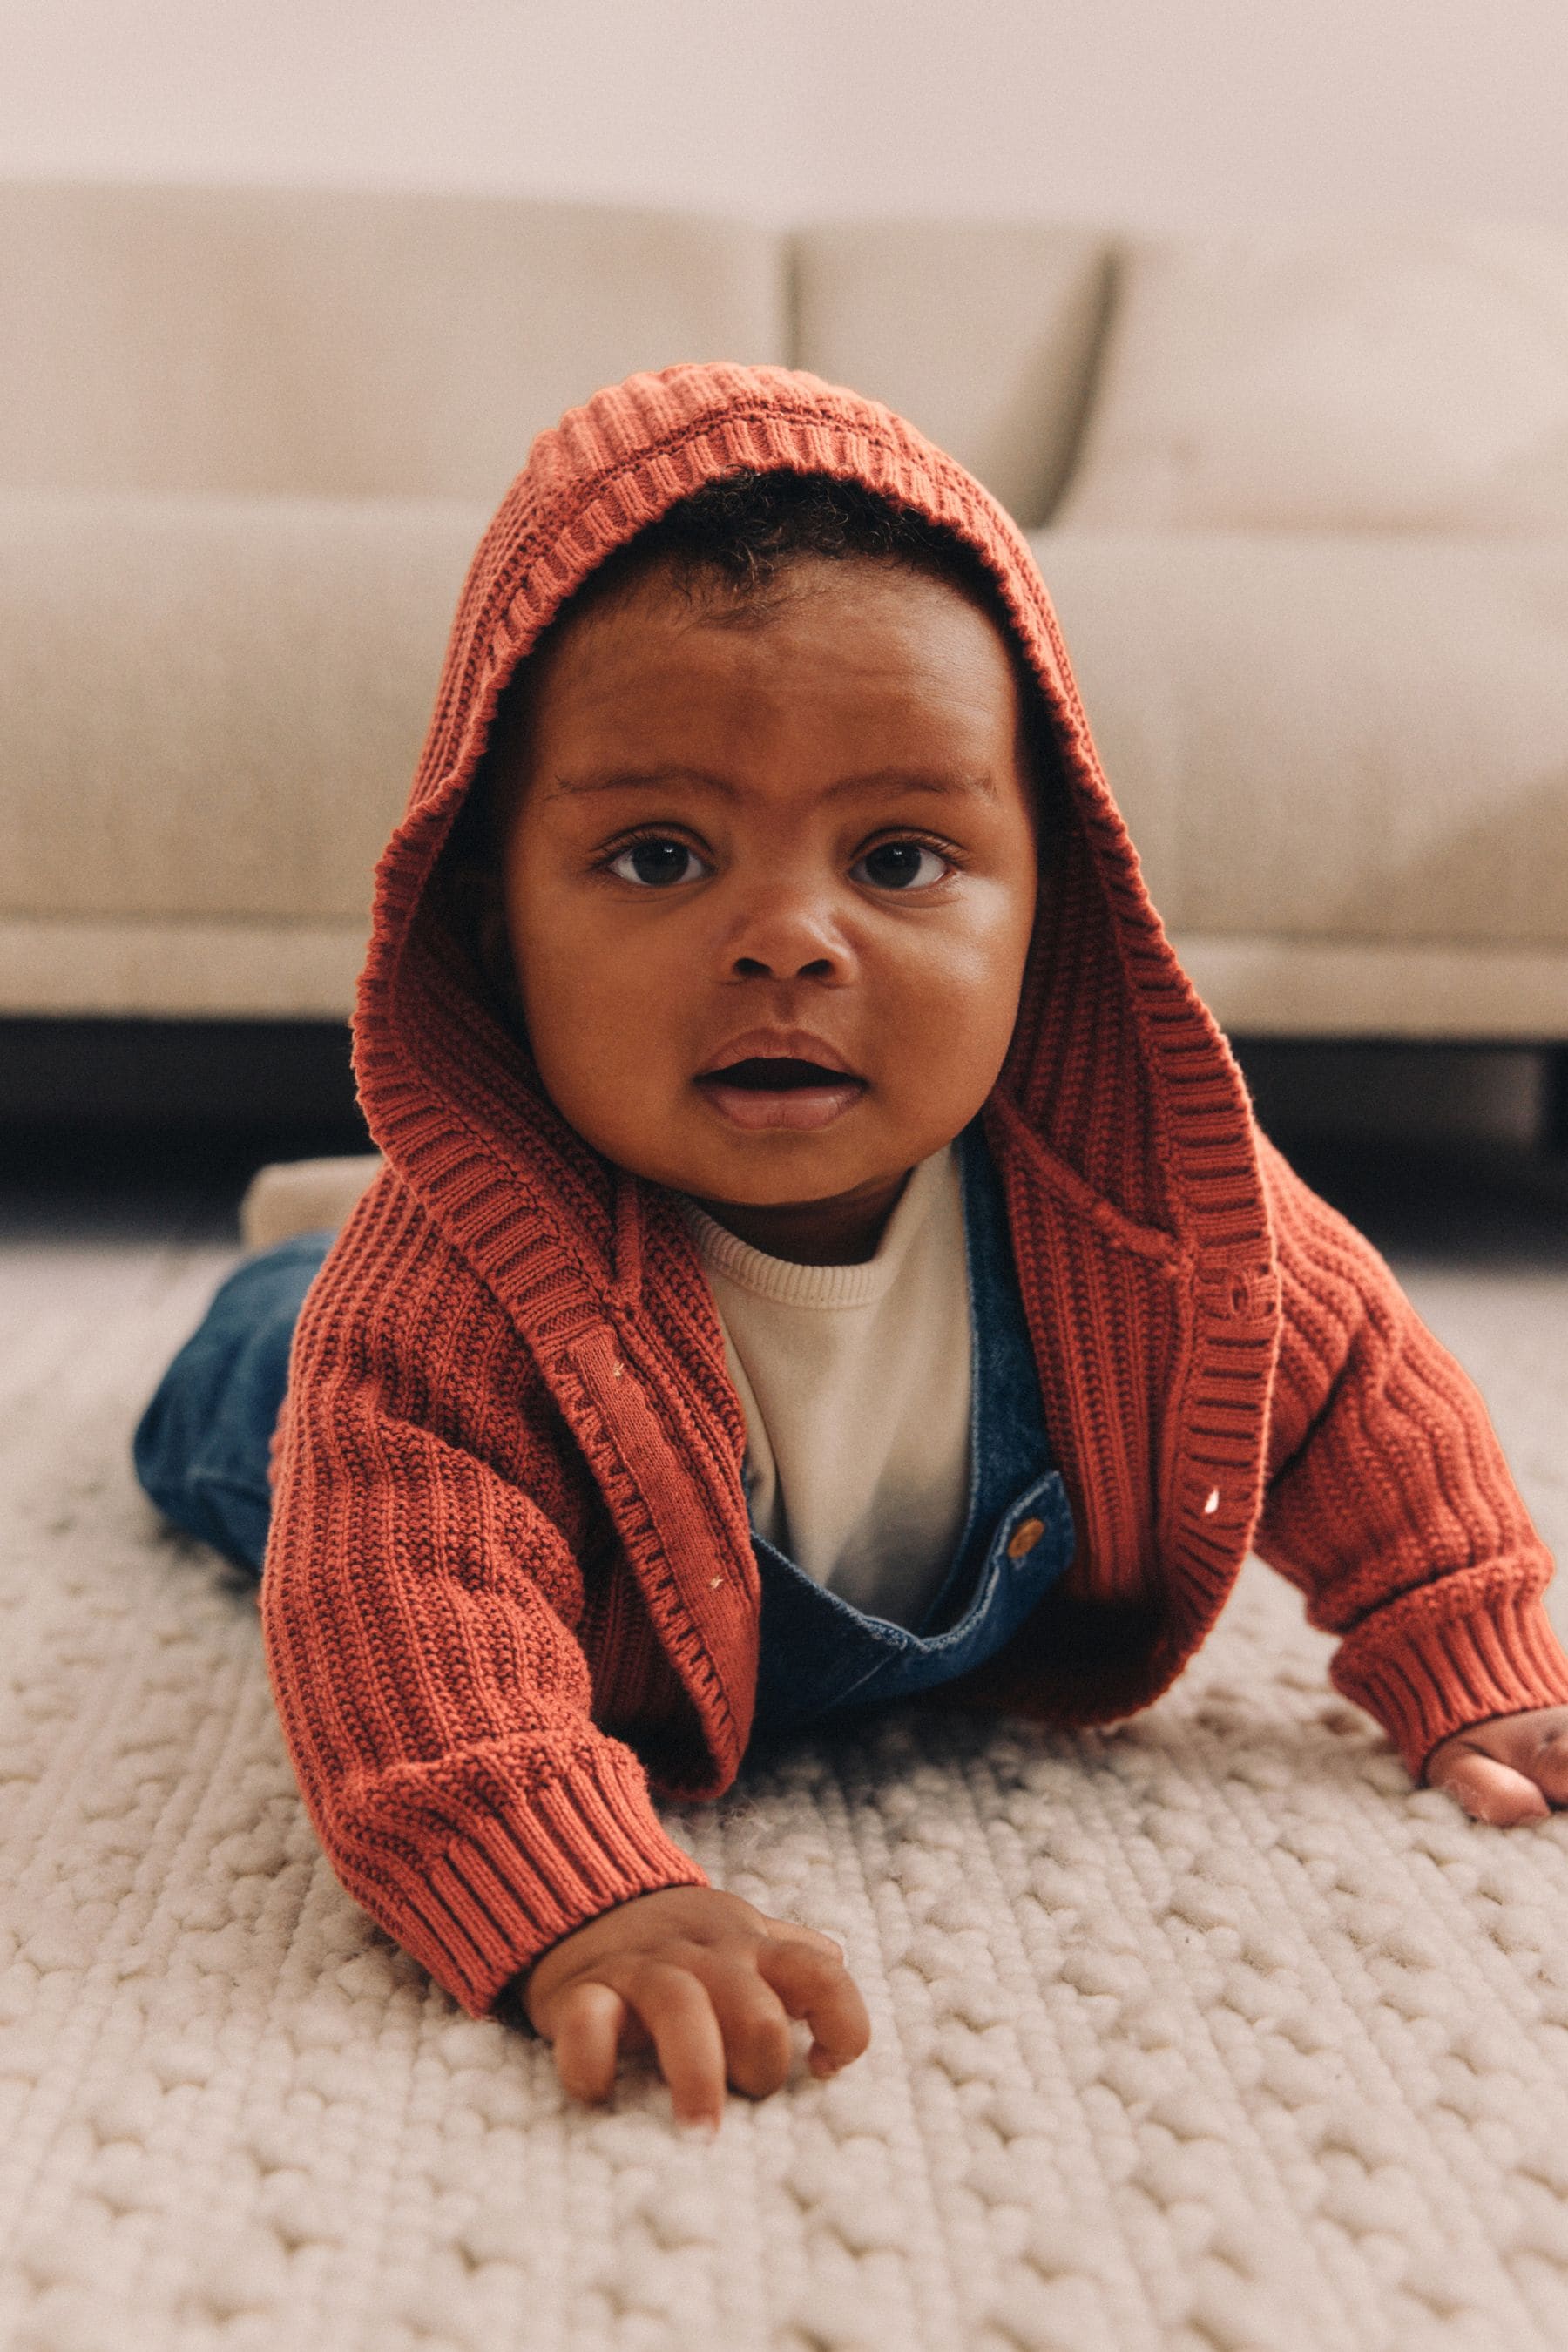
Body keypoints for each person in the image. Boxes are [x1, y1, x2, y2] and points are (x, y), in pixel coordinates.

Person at [133, 363, 1568, 2136]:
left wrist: (1477, 1665)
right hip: (361, 1396)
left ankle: (342, 1187)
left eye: (901, 856)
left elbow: (1364, 1401)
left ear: (1053, 914)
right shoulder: (442, 1308)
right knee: (256, 1406)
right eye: (660, 856)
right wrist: (585, 1888)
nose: (789, 942)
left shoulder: (1156, 1211)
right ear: (492, 928)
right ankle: (308, 1243)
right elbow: (398, 1629)